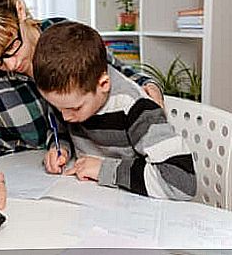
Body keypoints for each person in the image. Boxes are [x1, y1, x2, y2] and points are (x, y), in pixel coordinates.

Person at [0, 0, 164, 210]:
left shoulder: (63, 35)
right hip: (26, 189)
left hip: (90, 175)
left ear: (20, 10)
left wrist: (148, 88)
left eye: (10, 45)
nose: (11, 64)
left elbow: (118, 73)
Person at [33, 20, 196, 200]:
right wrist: (60, 147)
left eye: (74, 108)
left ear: (103, 84)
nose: (65, 117)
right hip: (92, 199)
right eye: (58, 108)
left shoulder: (137, 108)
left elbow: (181, 183)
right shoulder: (70, 99)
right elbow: (60, 129)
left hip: (137, 207)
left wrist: (104, 169)